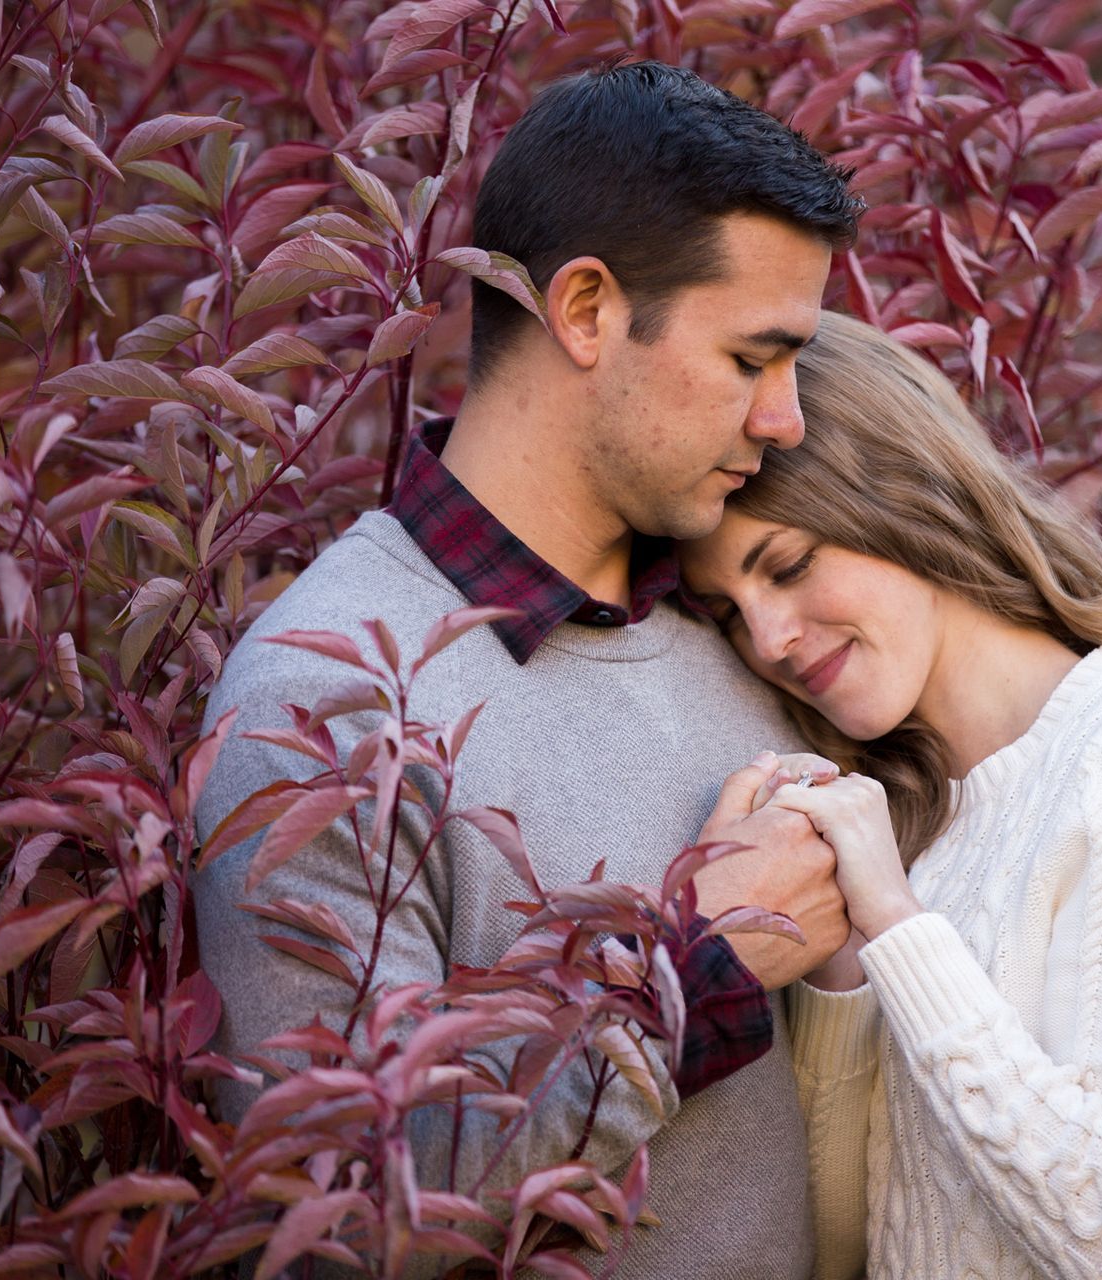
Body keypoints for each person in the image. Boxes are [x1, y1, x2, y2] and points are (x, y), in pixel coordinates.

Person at [194, 63, 863, 1275]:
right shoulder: (326, 692)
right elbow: (341, 1216)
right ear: (589, 310)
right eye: (757, 357)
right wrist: (691, 972)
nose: (788, 420)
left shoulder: (751, 626)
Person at [679, 312, 1102, 1278]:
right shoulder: (903, 811)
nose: (769, 639)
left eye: (787, 567)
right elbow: (839, 1251)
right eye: (729, 613)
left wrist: (898, 923)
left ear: (907, 497)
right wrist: (840, 971)